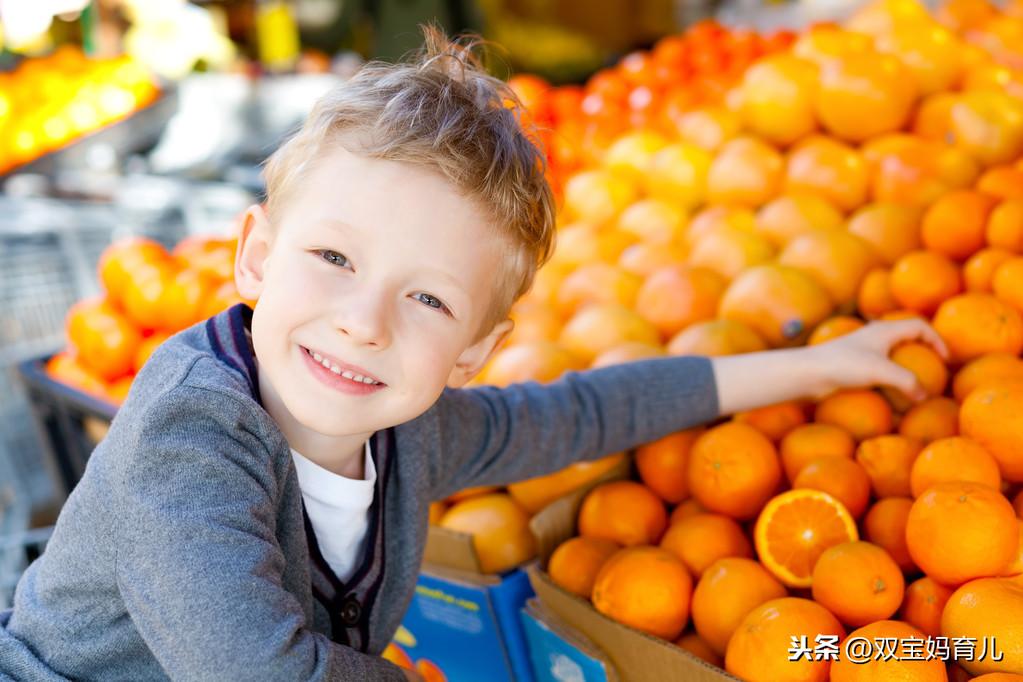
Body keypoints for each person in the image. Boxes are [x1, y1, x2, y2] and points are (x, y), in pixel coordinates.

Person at [0, 28, 947, 682]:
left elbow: (584, 412)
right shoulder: (188, 437)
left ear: (472, 351)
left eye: (427, 299)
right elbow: (252, 669)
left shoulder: (411, 431)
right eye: (332, 257)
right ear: (254, 255)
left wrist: (814, 367)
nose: (364, 323)